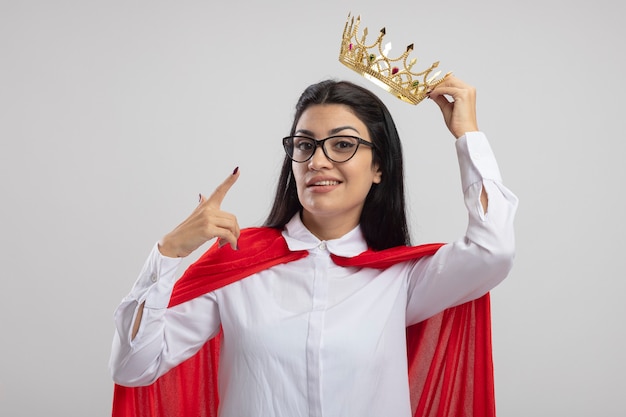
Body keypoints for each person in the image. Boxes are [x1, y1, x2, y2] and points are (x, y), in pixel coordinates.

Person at [109, 75, 518, 417]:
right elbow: (133, 367)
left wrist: (468, 135)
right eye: (304, 145)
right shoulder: (239, 264)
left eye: (342, 145)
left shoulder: (403, 278)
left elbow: (493, 251)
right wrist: (167, 254)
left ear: (379, 167)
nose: (317, 162)